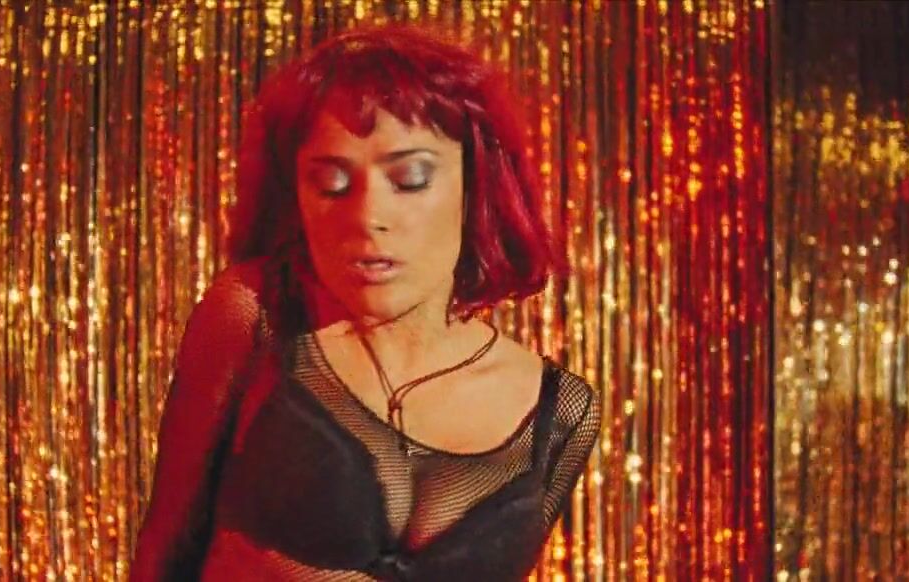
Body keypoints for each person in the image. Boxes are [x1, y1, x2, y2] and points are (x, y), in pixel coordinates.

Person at [130, 23, 602, 581]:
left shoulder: (560, 410)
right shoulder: (254, 316)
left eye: (411, 178)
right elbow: (163, 551)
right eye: (331, 183)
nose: (367, 216)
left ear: (478, 183)